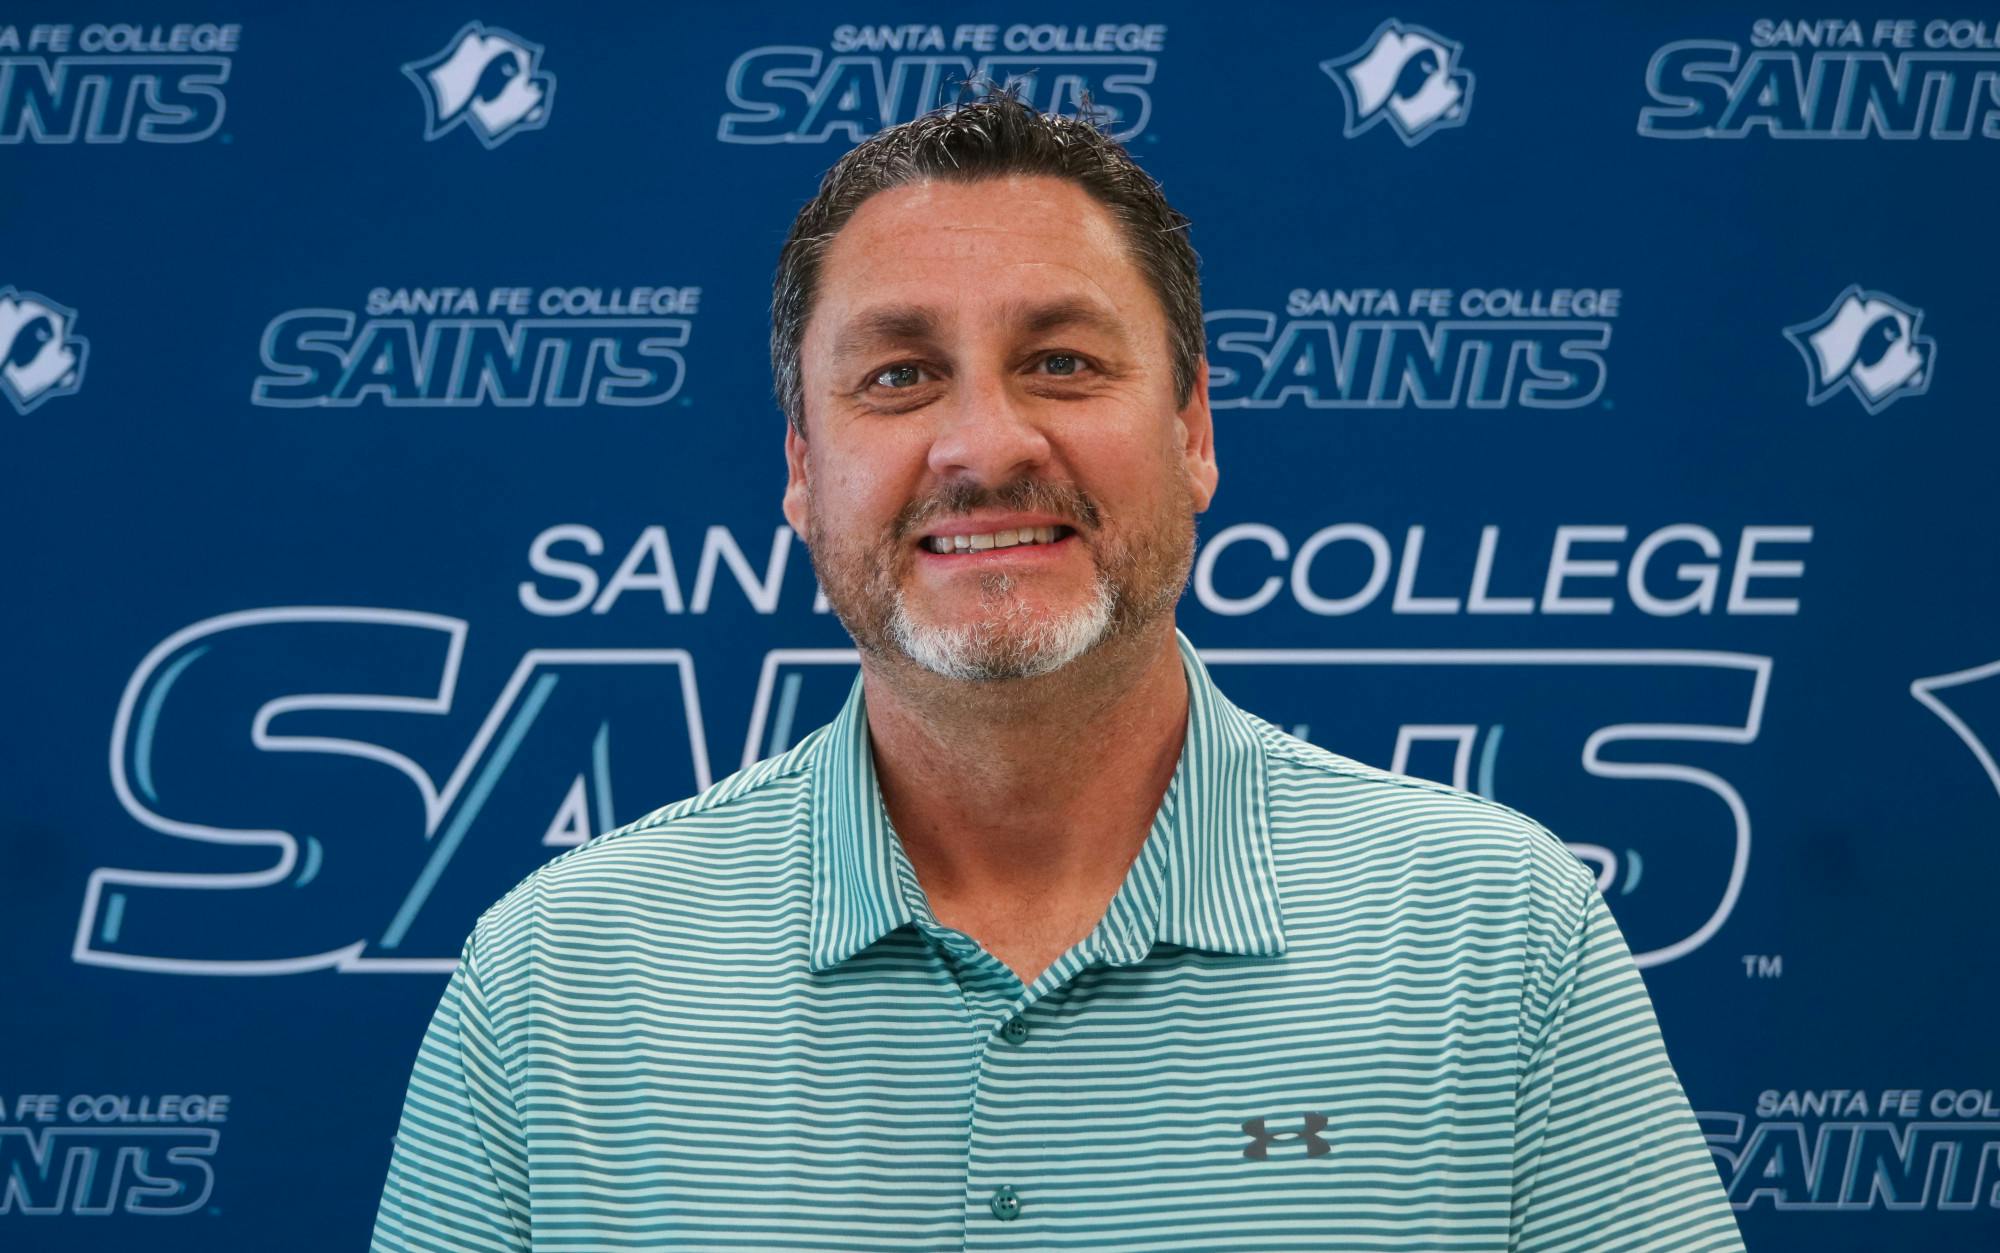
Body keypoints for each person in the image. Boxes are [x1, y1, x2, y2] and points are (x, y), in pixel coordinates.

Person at [372, 91, 1745, 1252]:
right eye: (900, 377)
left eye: (1064, 362)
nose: (984, 442)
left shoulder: (1497, 938)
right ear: (802, 470)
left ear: (1195, 428)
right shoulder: (556, 981)